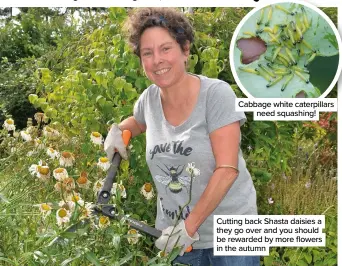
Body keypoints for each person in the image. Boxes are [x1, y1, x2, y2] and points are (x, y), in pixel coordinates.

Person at [104, 7, 259, 266]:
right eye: (147, 53)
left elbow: (227, 170)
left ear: (185, 49)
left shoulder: (216, 95)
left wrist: (187, 229)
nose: (157, 60)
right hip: (172, 236)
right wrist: (118, 131)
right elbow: (137, 122)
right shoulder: (149, 100)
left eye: (166, 49)